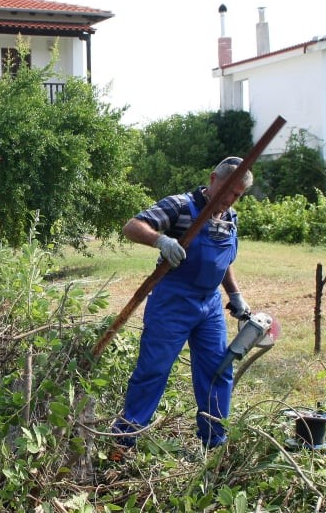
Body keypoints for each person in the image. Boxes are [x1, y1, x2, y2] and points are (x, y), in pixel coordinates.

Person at [113, 157, 253, 450]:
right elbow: (132, 226)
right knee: (154, 368)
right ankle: (124, 439)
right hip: (173, 300)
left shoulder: (230, 218)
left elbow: (223, 261)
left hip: (210, 304)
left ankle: (214, 441)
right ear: (213, 178)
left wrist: (235, 294)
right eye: (227, 190)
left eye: (236, 195)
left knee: (217, 371)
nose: (229, 199)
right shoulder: (179, 206)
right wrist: (161, 241)